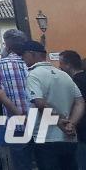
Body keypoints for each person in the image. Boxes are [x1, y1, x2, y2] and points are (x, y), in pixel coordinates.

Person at [24, 40, 84, 170]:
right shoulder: (64, 75)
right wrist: (71, 123)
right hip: (69, 138)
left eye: (24, 55)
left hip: (46, 138)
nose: (23, 59)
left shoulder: (33, 75)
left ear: (31, 54)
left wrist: (59, 121)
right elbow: (80, 102)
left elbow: (39, 102)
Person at [0, 30, 37, 170]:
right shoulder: (33, 64)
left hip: (16, 125)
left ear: (7, 46)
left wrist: (20, 115)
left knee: (22, 164)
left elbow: (0, 95)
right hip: (39, 122)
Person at [58, 51, 86, 170]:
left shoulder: (72, 83)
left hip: (81, 130)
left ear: (68, 65)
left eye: (61, 63)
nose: (59, 67)